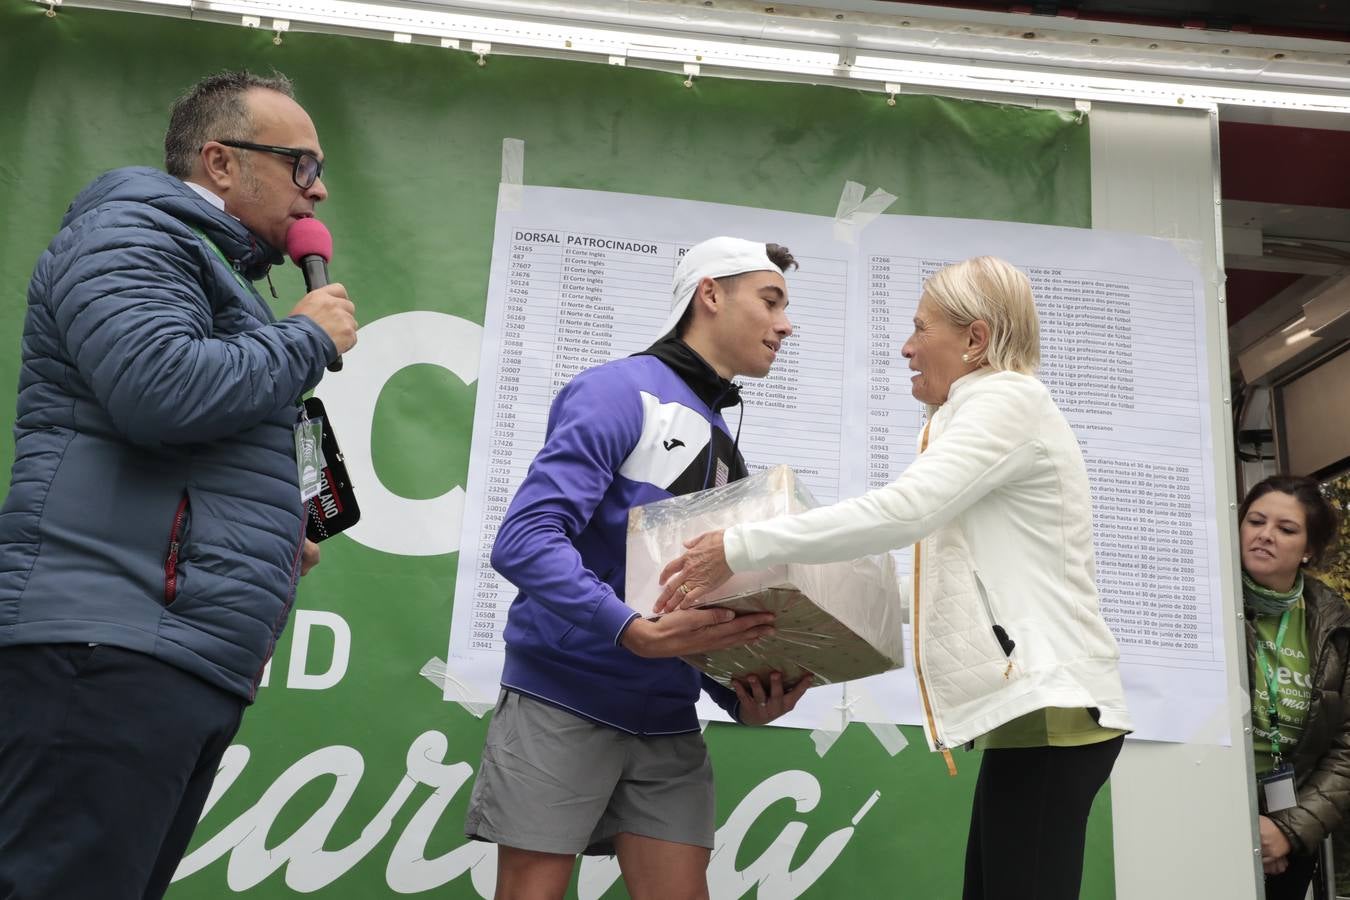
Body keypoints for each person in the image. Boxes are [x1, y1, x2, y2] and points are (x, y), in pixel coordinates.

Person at [657, 255, 1133, 900]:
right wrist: (791, 609)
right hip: (1035, 714)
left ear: (975, 339)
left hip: (1051, 709)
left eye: (920, 329)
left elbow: (905, 511)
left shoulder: (1005, 399)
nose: (907, 349)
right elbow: (938, 582)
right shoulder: (979, 410)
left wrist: (743, 547)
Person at [0, 70, 356, 899]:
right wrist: (304, 339)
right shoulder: (129, 235)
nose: (320, 189)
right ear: (221, 163)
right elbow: (160, 391)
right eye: (302, 164)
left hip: (162, 651)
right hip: (107, 638)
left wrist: (268, 533)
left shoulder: (199, 262)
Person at [465, 237, 812, 900]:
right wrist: (628, 629)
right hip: (562, 699)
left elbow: (689, 605)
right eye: (771, 300)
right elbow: (525, 539)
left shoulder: (724, 446)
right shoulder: (615, 390)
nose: (786, 324)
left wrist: (742, 696)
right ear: (710, 294)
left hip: (667, 721)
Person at [1238, 475, 1348, 899]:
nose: (1265, 535)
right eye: (1255, 521)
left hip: (1290, 821)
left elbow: (1346, 748)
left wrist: (1286, 830)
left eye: (1286, 529)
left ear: (1309, 551)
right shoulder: (1203, 602)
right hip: (1200, 799)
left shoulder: (1336, 626)